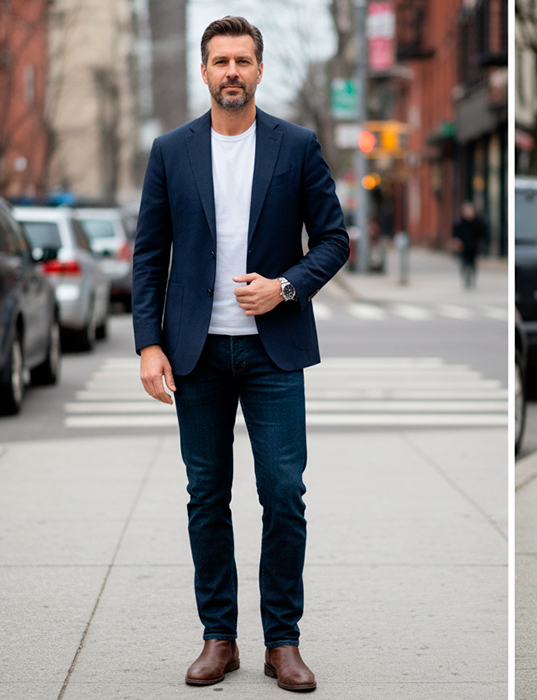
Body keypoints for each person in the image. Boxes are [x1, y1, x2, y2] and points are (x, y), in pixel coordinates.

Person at [132, 16, 349, 692]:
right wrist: (148, 344)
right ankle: (218, 637)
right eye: (220, 60)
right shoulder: (172, 151)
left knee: (284, 494)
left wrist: (284, 287)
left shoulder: (297, 145)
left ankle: (282, 643)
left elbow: (334, 240)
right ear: (204, 71)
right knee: (206, 497)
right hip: (195, 352)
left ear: (259, 70)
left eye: (243, 60)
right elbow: (148, 255)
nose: (232, 71)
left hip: (273, 354)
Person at [452, 201, 488, 289]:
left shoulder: (477, 222)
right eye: (466, 211)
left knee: (472, 263)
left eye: (470, 211)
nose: (468, 213)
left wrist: (482, 244)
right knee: (464, 262)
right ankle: (466, 276)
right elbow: (455, 234)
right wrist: (456, 242)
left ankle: (472, 277)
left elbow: (483, 233)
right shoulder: (460, 222)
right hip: (463, 246)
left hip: (474, 246)